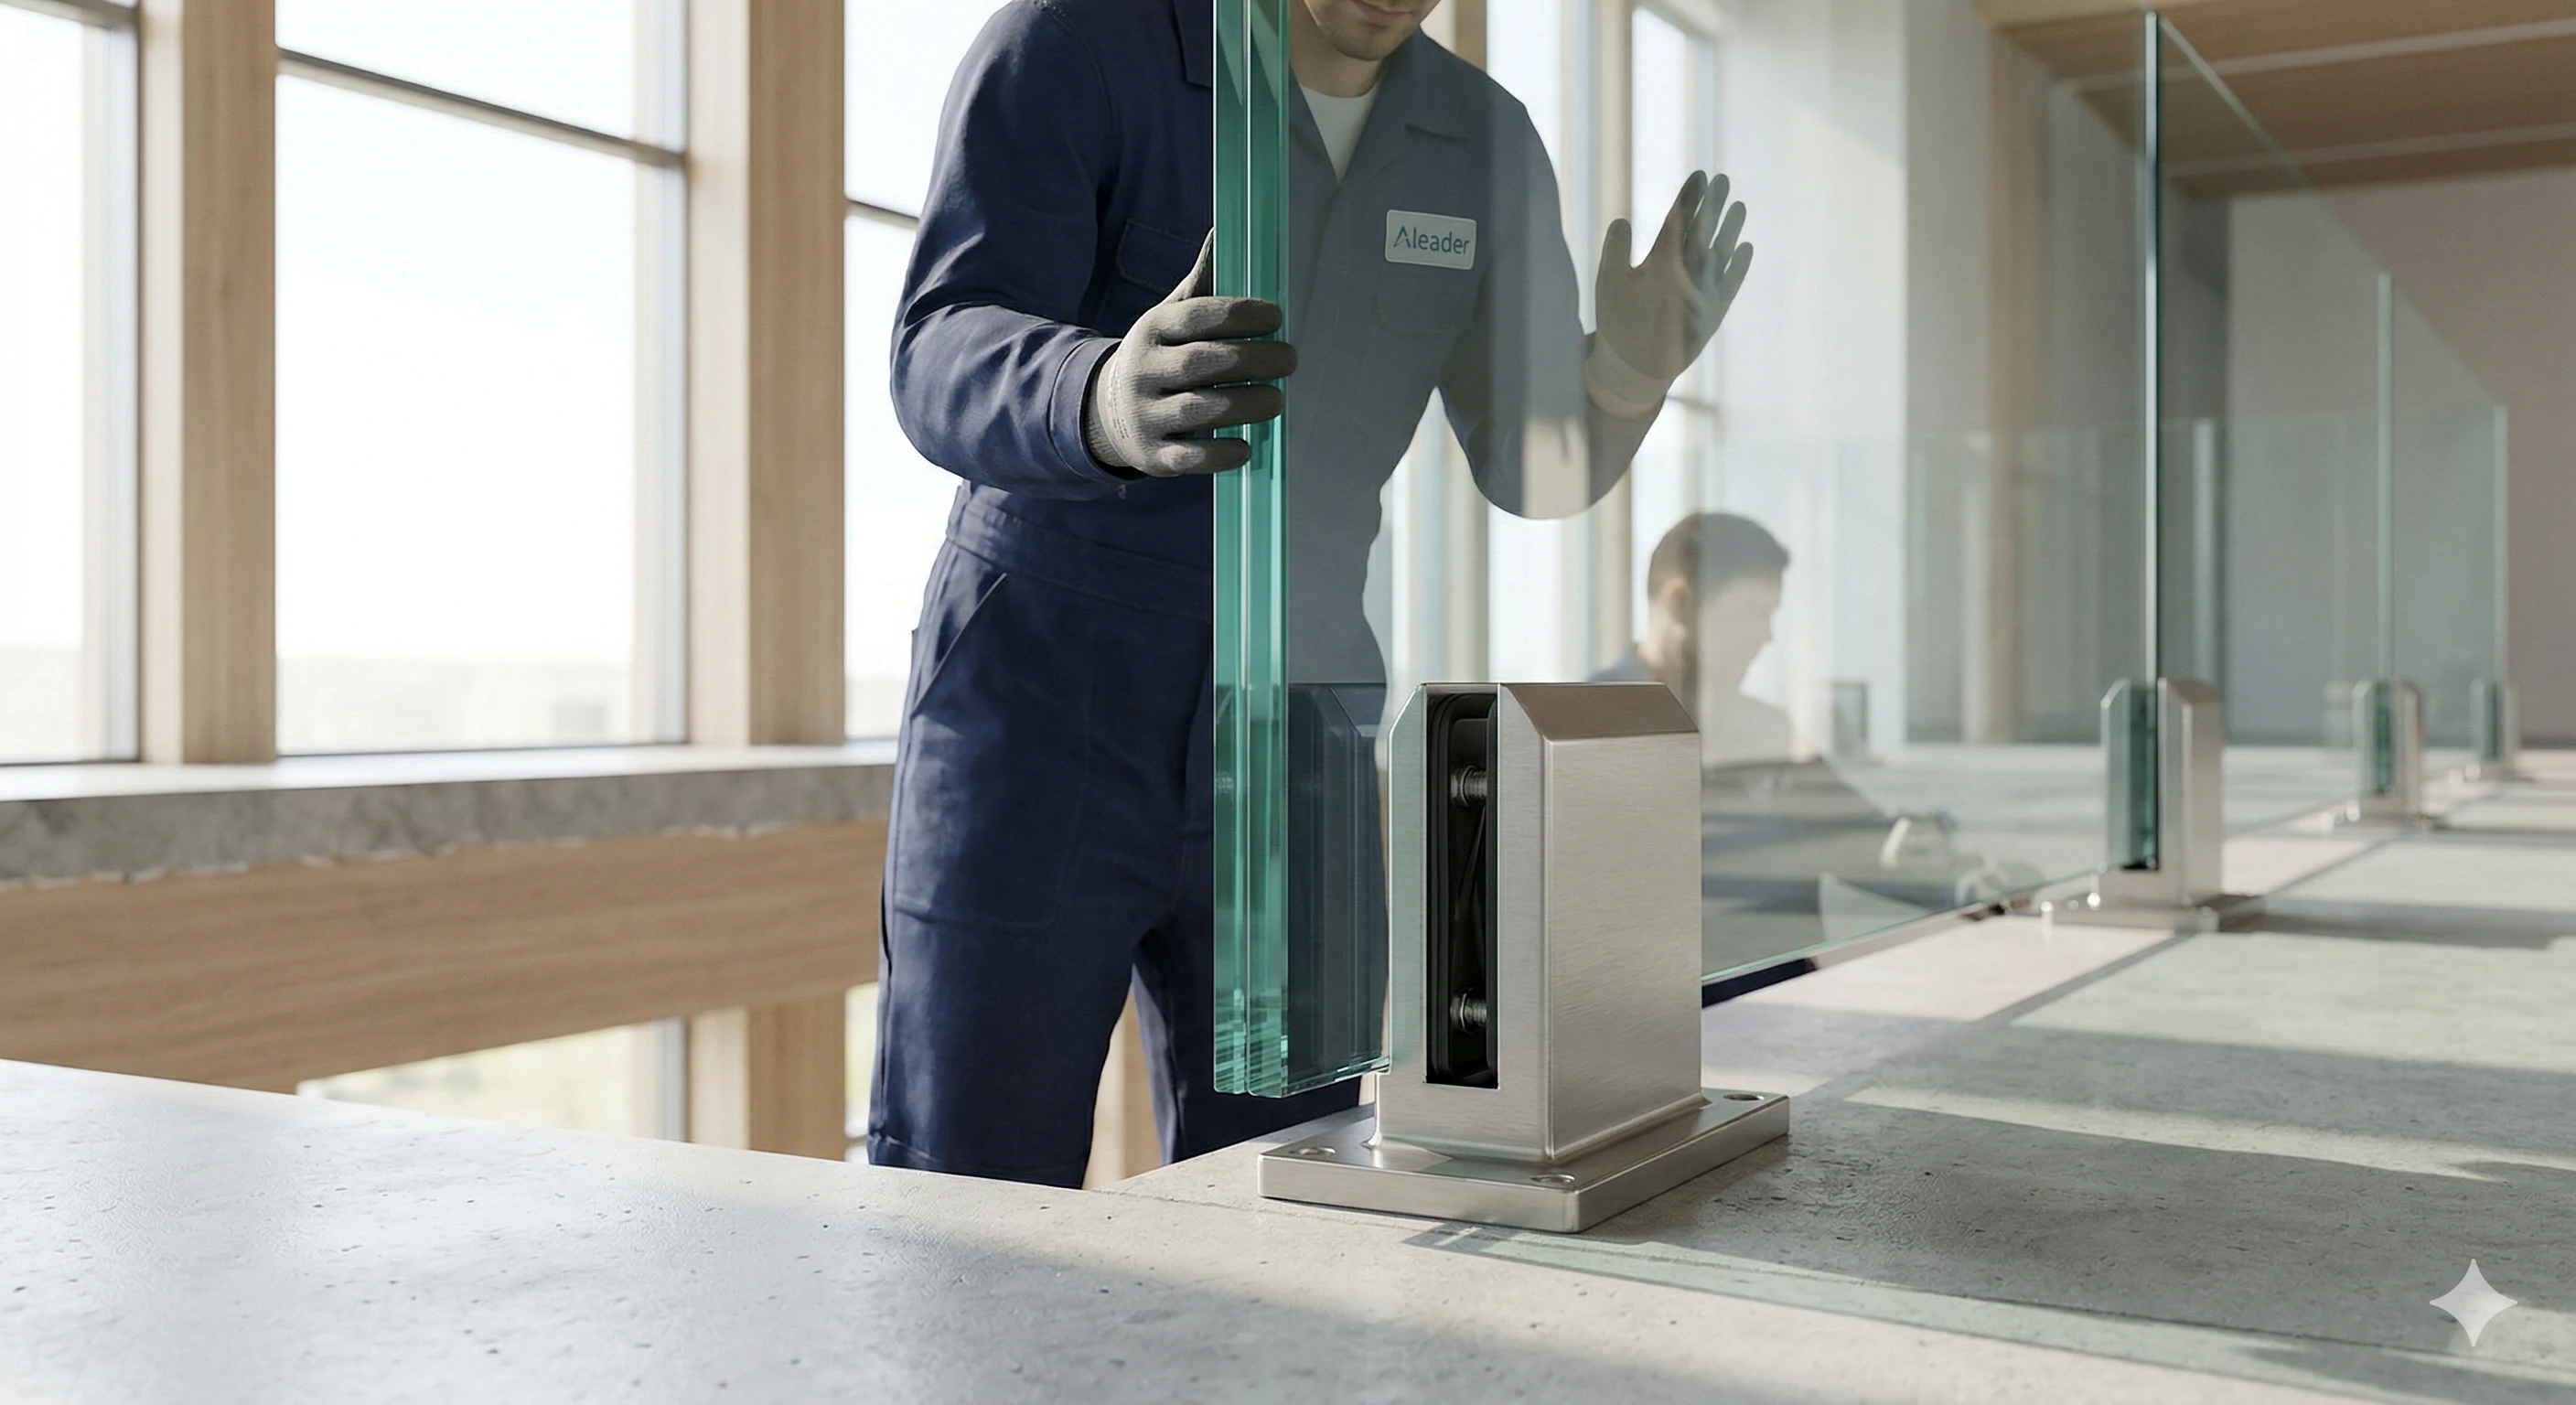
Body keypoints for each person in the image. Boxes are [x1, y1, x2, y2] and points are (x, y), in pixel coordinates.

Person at [874, 0, 1753, 1186]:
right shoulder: (1081, 41)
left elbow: (1531, 468)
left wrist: (1629, 370)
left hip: (1302, 718)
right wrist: (1098, 396)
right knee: (969, 1178)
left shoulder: (1484, 142)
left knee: (1296, 1188)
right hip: (1044, 690)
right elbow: (935, 346)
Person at [1597, 512, 1799, 767]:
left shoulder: (1768, 729)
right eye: (1750, 613)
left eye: (1768, 615)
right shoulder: (1586, 724)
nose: (1766, 636)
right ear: (1680, 603)